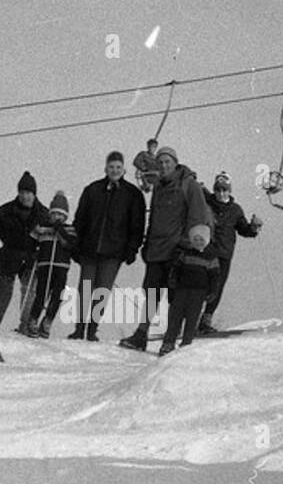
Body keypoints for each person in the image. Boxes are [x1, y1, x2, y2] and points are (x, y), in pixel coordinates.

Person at [119, 146, 210, 351]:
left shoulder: (189, 185)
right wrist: (147, 242)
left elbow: (198, 217)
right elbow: (155, 217)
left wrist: (187, 245)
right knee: (151, 293)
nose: (164, 165)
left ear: (175, 163)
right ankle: (141, 335)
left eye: (167, 161)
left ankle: (169, 340)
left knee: (174, 298)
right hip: (156, 250)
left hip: (177, 251)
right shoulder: (159, 186)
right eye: (160, 162)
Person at [69, 152, 146, 341]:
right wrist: (75, 245)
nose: (115, 170)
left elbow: (137, 225)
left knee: (102, 291)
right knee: (85, 289)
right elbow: (80, 220)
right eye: (111, 167)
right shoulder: (92, 190)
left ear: (124, 169)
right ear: (106, 168)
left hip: (113, 252)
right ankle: (79, 328)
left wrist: (131, 249)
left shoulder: (132, 194)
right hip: (89, 249)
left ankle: (92, 330)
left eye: (118, 167)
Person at [0, 170, 49, 335]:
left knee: (29, 295)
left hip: (31, 259)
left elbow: (52, 230)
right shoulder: (7, 210)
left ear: (34, 194)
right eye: (22, 192)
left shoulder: (42, 213)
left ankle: (25, 328)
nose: (25, 196)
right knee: (4, 296)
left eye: (28, 193)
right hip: (9, 257)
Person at [199, 171, 262, 334]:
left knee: (217, 288)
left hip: (224, 255)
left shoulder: (235, 210)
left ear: (229, 191)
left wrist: (254, 227)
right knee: (200, 286)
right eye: (218, 190)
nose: (221, 193)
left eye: (224, 190)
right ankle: (189, 319)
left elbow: (244, 229)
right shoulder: (206, 202)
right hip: (206, 252)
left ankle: (206, 320)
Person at [159, 224, 219, 356]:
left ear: (207, 240)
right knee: (175, 317)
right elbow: (176, 269)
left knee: (192, 319)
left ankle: (186, 344)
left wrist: (213, 291)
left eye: (201, 239)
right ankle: (168, 343)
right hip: (182, 290)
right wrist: (172, 282)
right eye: (195, 239)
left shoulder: (211, 257)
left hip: (199, 293)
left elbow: (215, 277)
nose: (198, 242)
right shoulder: (185, 254)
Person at [24, 192, 78, 338]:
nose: (57, 218)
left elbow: (70, 244)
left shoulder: (69, 229)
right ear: (50, 215)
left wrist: (59, 229)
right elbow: (31, 241)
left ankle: (47, 321)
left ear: (66, 217)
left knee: (57, 295)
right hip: (45, 264)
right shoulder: (42, 227)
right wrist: (32, 254)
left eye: (61, 215)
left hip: (61, 266)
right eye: (54, 214)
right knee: (41, 293)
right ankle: (33, 320)